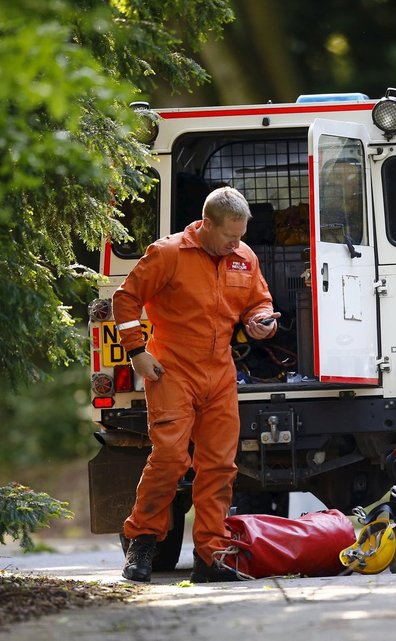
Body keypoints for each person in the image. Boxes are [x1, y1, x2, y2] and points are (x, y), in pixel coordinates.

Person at [113, 186, 280, 582]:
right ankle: (143, 541)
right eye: (229, 237)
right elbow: (124, 300)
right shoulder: (168, 254)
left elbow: (260, 300)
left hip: (220, 370)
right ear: (207, 224)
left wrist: (262, 319)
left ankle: (211, 553)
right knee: (170, 457)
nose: (236, 244)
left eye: (241, 237)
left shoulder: (244, 257)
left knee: (220, 465)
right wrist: (137, 351)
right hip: (171, 368)